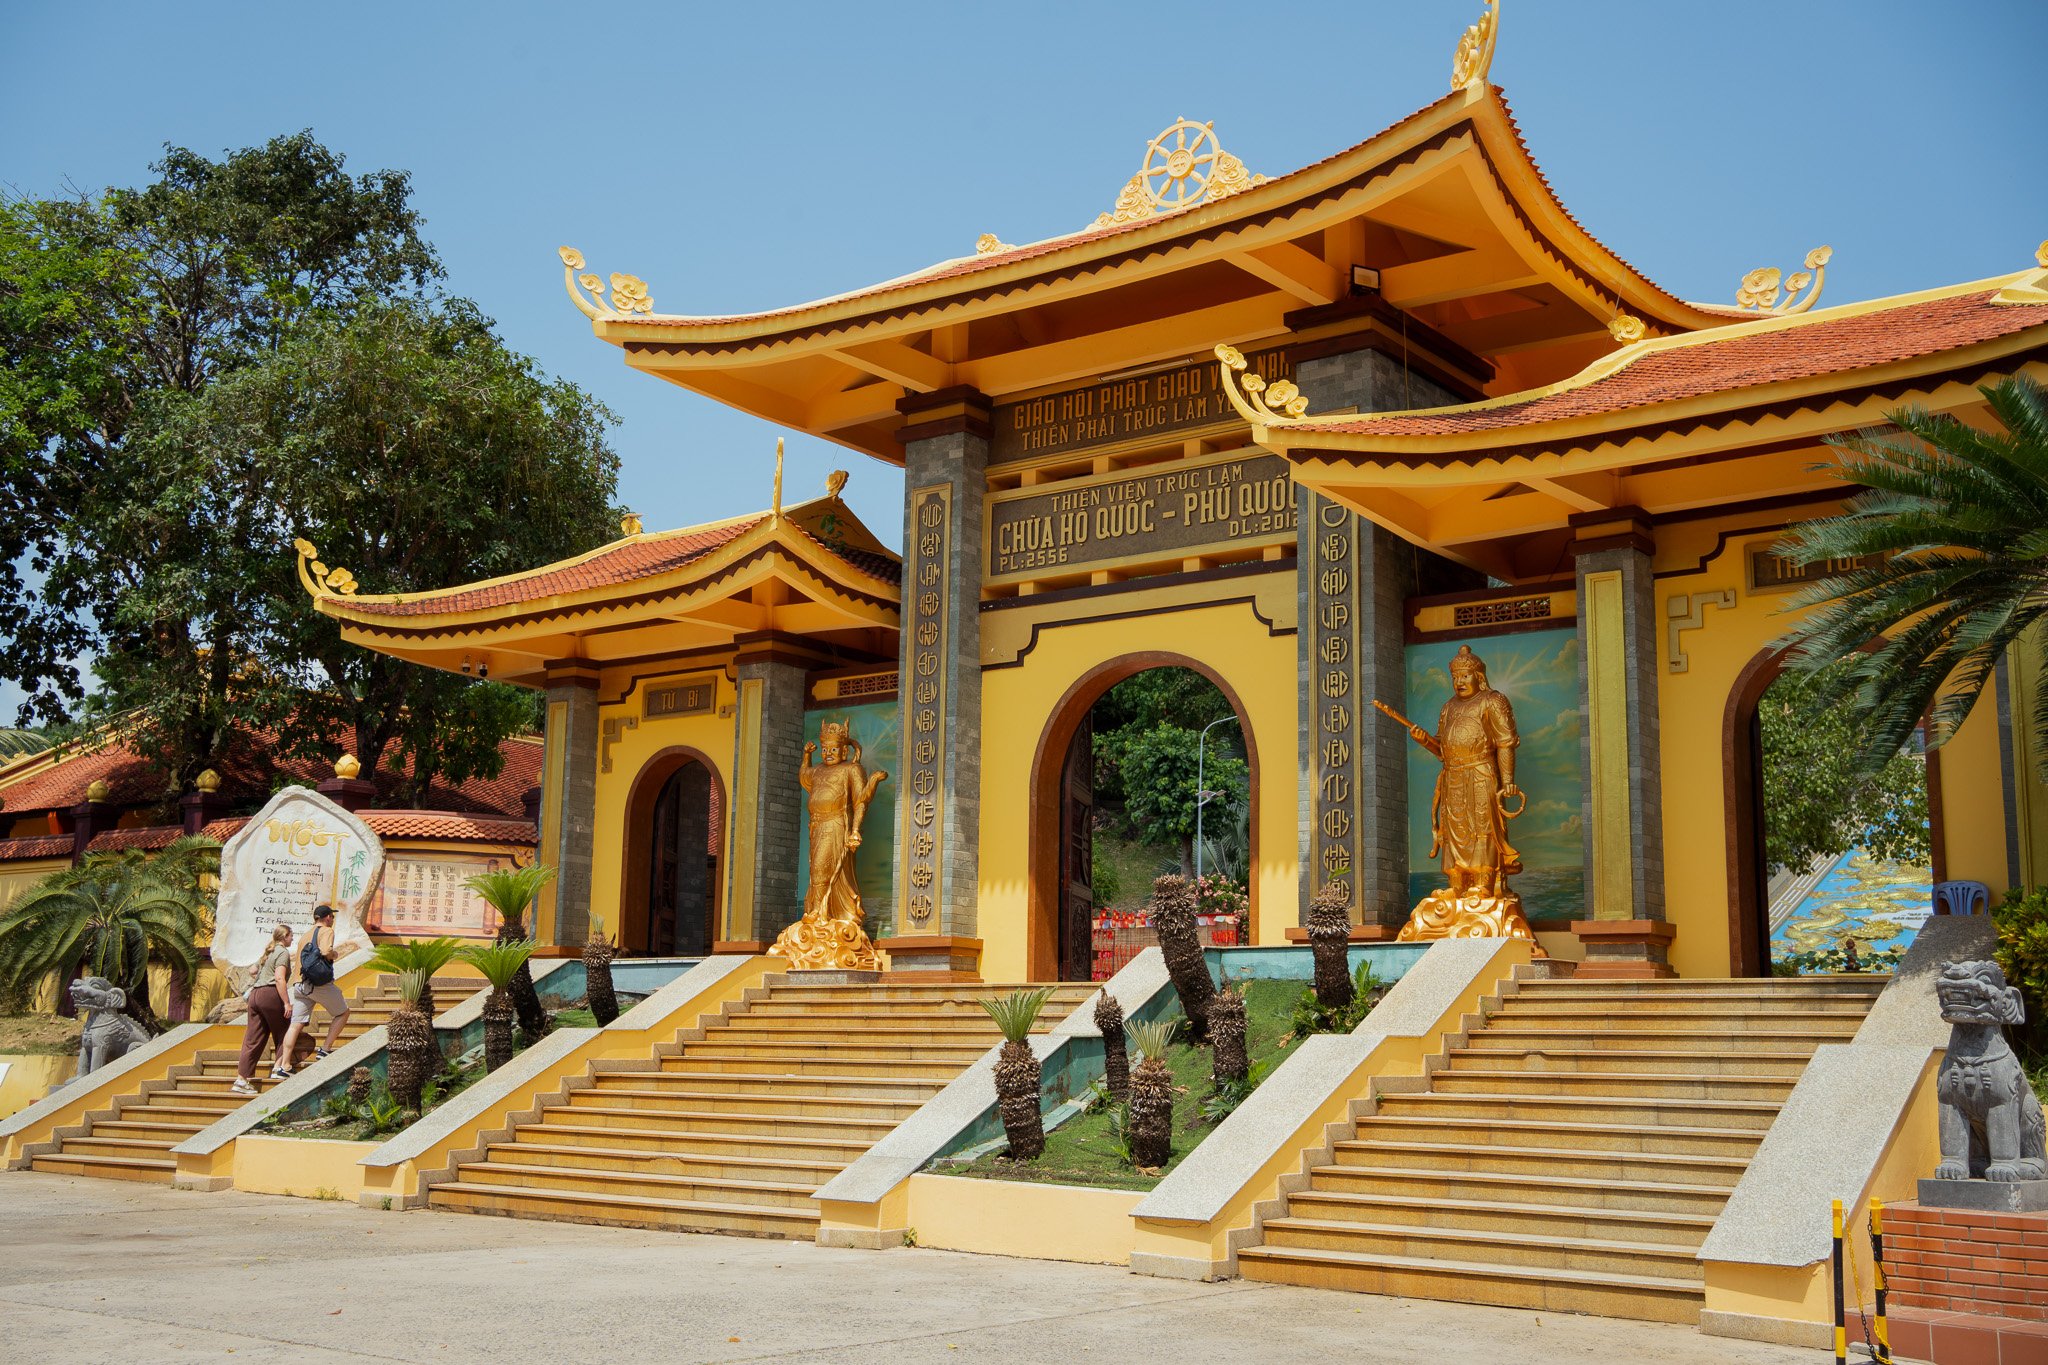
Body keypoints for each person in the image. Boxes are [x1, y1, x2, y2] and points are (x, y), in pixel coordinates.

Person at [277, 904, 351, 1070]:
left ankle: (284, 1065)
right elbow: (326, 951)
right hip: (317, 984)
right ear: (327, 918)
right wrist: (334, 954)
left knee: (296, 1024)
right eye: (332, 917)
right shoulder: (327, 931)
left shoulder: (305, 935)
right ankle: (325, 1049)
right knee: (343, 1013)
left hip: (299, 984)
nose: (332, 920)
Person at [233, 924, 295, 1097]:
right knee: (286, 1030)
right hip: (269, 993)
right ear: (284, 937)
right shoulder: (282, 952)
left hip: (255, 995)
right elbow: (279, 978)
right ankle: (278, 1068)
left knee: (253, 1038)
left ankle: (241, 1079)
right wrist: (286, 1003)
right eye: (291, 936)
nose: (293, 939)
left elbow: (253, 971)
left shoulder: (268, 952)